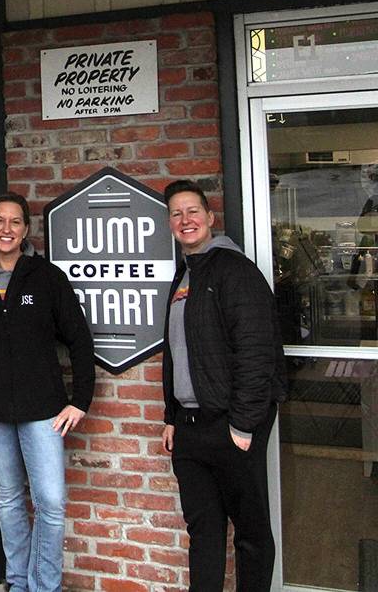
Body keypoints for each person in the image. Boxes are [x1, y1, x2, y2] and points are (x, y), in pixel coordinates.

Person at [0, 192, 95, 592]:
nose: (6, 229)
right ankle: (19, 583)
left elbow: (80, 341)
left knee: (51, 503)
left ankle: (44, 586)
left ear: (26, 230)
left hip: (44, 413)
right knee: (10, 502)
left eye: (15, 222)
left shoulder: (47, 277)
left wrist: (79, 401)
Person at [160, 179, 287, 592]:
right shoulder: (185, 276)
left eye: (193, 211)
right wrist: (171, 417)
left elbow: (256, 352)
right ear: (170, 223)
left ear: (210, 217)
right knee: (204, 531)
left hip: (231, 425)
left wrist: (243, 425)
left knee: (249, 533)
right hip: (191, 428)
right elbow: (176, 352)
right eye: (176, 213)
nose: (185, 220)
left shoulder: (234, 271)